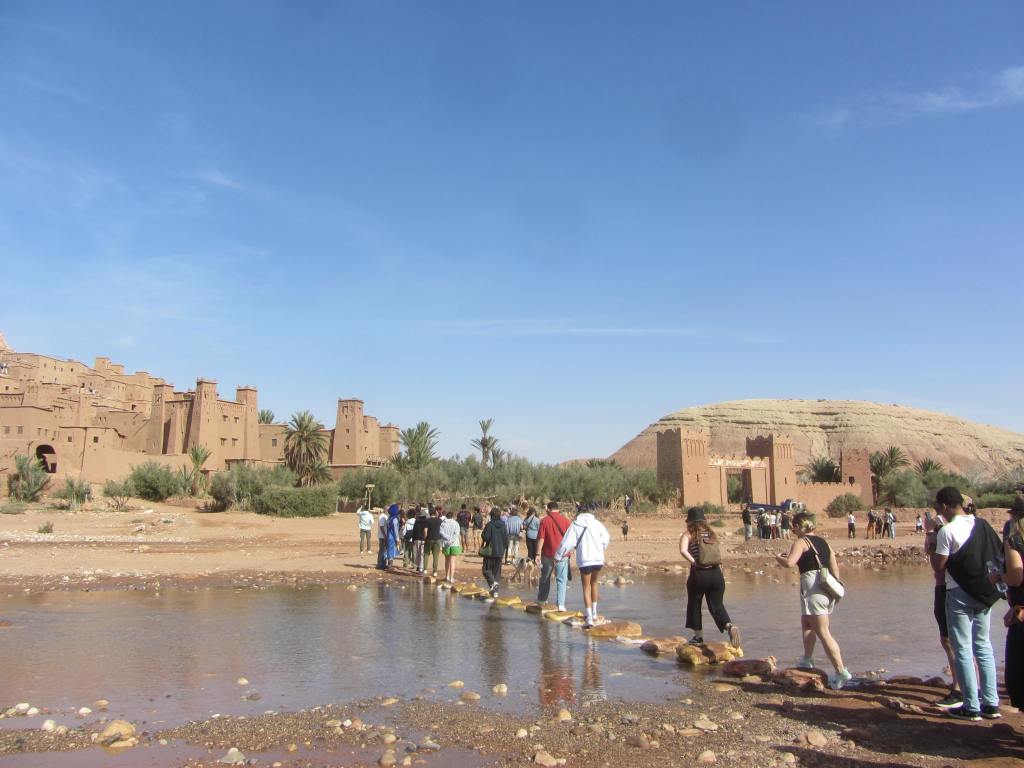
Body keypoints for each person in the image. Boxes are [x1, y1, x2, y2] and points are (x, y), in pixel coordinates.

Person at [931, 486, 1002, 720]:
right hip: (983, 593)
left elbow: (939, 566)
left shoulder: (947, 531)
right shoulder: (982, 524)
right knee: (983, 645)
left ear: (944, 506)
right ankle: (991, 703)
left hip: (958, 593)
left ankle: (971, 706)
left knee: (962, 648)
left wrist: (932, 537)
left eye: (938, 507)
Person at [776, 511, 853, 690]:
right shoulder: (824, 542)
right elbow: (835, 568)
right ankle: (807, 659)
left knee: (824, 632)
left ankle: (841, 671)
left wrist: (778, 557)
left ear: (798, 526)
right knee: (807, 623)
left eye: (794, 527)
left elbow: (789, 563)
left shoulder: (801, 542)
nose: (793, 530)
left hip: (813, 589)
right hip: (824, 588)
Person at [679, 507, 741, 647]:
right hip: (716, 574)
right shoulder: (711, 534)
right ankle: (729, 626)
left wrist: (694, 561)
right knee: (717, 605)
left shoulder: (689, 534)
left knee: (695, 604)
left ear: (690, 521)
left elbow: (683, 550)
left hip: (700, 574)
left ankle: (698, 638)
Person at [555, 506, 610, 628]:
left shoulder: (575, 525)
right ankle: (594, 613)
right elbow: (606, 538)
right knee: (594, 583)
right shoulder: (597, 523)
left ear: (579, 513)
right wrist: (601, 548)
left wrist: (558, 556)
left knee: (586, 587)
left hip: (585, 559)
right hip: (598, 558)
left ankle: (589, 618)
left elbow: (566, 543)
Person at [1000, 496, 1024, 711]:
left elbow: (1016, 578)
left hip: (1021, 614)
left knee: (1018, 676)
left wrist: (998, 577)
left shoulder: (1015, 539)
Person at [536, 501, 571, 610]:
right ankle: (561, 605)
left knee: (545, 578)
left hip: (548, 554)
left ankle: (542, 601)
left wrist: (538, 553)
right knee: (561, 579)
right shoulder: (566, 521)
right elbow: (570, 539)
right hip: (563, 555)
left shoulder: (544, 521)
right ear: (558, 509)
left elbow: (541, 538)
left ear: (549, 509)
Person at [480, 505, 509, 597]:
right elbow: (506, 540)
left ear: (491, 515)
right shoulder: (503, 525)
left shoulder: (489, 525)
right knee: (496, 572)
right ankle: (495, 591)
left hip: (490, 552)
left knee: (486, 570)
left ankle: (493, 584)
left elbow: (486, 537)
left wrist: (483, 534)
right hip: (500, 552)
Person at [440, 508, 462, 584]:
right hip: (454, 544)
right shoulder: (456, 523)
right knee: (452, 560)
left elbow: (441, 532)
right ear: (452, 516)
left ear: (446, 516)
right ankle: (451, 578)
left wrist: (448, 539)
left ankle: (447, 576)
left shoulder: (443, 523)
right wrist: (451, 540)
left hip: (446, 544)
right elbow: (457, 533)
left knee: (447, 560)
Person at [425, 506, 443, 578]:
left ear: (430, 513)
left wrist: (425, 538)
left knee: (426, 554)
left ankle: (425, 569)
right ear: (435, 512)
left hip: (429, 539)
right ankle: (435, 571)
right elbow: (441, 530)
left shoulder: (427, 520)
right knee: (436, 556)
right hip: (437, 539)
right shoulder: (439, 520)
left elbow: (425, 531)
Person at [412, 507, 429, 574]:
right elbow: (425, 531)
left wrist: (413, 540)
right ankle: (421, 568)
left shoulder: (416, 521)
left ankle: (418, 566)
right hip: (423, 539)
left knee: (418, 553)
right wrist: (426, 538)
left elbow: (414, 531)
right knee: (422, 554)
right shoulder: (426, 521)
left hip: (416, 539)